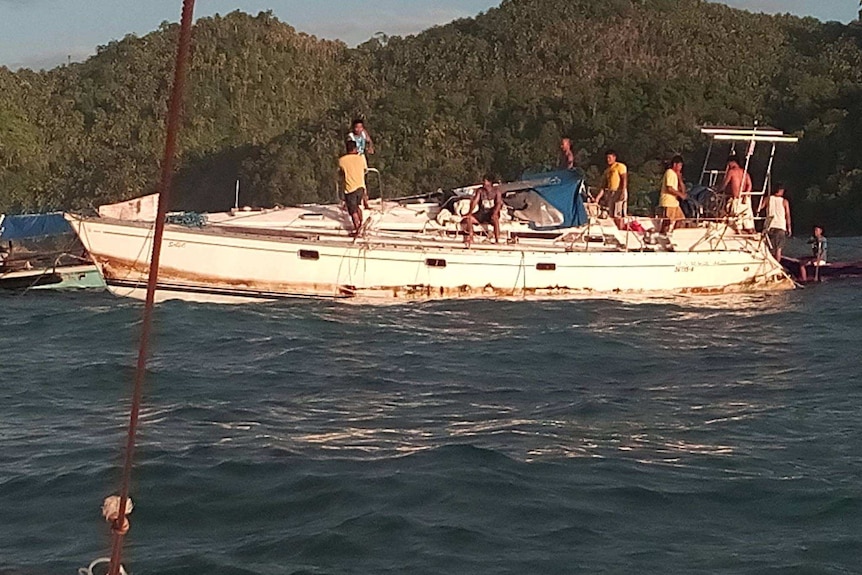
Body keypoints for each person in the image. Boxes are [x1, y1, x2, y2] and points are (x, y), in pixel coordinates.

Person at [462, 174, 503, 247]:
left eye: (486, 181)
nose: (484, 183)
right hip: (482, 213)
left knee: (495, 218)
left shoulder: (497, 192)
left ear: (490, 182)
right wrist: (470, 212)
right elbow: (475, 201)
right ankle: (471, 237)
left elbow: (498, 204)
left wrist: (495, 213)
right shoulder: (480, 191)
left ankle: (497, 239)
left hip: (491, 213)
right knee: (469, 219)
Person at [337, 139, 368, 234]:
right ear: (355, 148)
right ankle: (361, 223)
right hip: (361, 187)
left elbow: (340, 172)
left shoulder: (341, 160)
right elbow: (365, 169)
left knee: (352, 211)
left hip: (350, 189)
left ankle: (358, 228)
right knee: (357, 206)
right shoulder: (361, 158)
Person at [719, 154, 755, 233]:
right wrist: (746, 194)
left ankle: (738, 232)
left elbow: (725, 184)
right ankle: (750, 232)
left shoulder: (731, 172)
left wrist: (719, 190)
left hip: (736, 199)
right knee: (747, 220)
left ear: (732, 162)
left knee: (736, 220)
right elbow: (749, 184)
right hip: (745, 199)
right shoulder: (744, 172)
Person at [758, 183, 792, 261]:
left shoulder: (768, 199)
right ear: (781, 190)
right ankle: (777, 265)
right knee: (778, 249)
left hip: (769, 226)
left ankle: (767, 262)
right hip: (780, 226)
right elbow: (787, 215)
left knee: (768, 247)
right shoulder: (784, 201)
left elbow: (759, 208)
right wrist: (789, 228)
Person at [595, 149, 628, 222]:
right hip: (611, 193)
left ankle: (621, 227)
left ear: (614, 157)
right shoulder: (607, 170)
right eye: (607, 158)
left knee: (618, 213)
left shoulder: (620, 166)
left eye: (609, 158)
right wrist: (597, 198)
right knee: (611, 213)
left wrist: (623, 192)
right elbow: (603, 186)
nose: (608, 160)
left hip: (618, 191)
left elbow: (624, 179)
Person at [658, 155, 688, 234]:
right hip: (668, 201)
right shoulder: (670, 172)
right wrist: (680, 195)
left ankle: (673, 234)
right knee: (667, 222)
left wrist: (680, 178)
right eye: (680, 165)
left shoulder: (676, 175)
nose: (681, 167)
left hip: (674, 203)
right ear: (675, 164)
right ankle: (662, 235)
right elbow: (669, 188)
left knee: (680, 219)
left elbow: (682, 189)